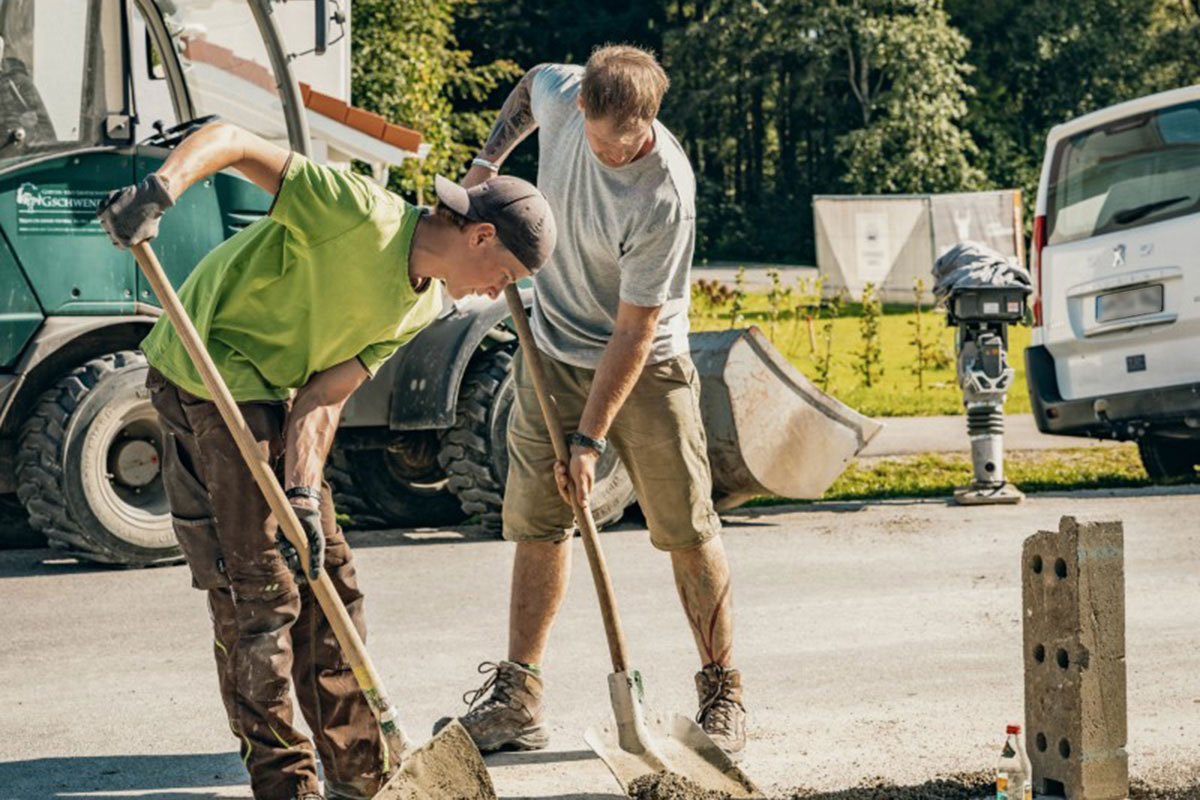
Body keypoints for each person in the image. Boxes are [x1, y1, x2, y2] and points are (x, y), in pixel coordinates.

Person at [97, 120, 556, 800]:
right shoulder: (358, 212)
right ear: (480, 236)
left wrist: (304, 496)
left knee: (327, 575)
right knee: (261, 590)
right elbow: (232, 140)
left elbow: (324, 394)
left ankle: (361, 776)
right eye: (506, 276)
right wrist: (159, 193)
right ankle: (287, 785)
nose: (497, 292)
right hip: (206, 368)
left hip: (278, 389)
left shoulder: (422, 303)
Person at [436, 45, 747, 759]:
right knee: (537, 524)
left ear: (651, 118)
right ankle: (519, 697)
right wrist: (485, 168)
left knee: (687, 526)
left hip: (646, 366)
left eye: (633, 139)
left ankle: (722, 685)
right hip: (549, 350)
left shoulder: (664, 190)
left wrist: (588, 441)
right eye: (607, 141)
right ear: (581, 110)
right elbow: (523, 89)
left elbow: (636, 331)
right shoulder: (562, 96)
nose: (619, 154)